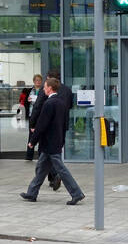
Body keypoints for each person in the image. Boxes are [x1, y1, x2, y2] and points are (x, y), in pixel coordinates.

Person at [20, 77, 85, 205]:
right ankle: (32, 193)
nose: (43, 89)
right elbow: (65, 124)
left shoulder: (49, 103)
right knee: (41, 168)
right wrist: (61, 140)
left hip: (49, 143)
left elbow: (41, 125)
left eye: (44, 87)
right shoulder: (61, 103)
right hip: (55, 141)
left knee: (61, 170)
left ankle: (77, 193)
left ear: (49, 88)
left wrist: (32, 141)